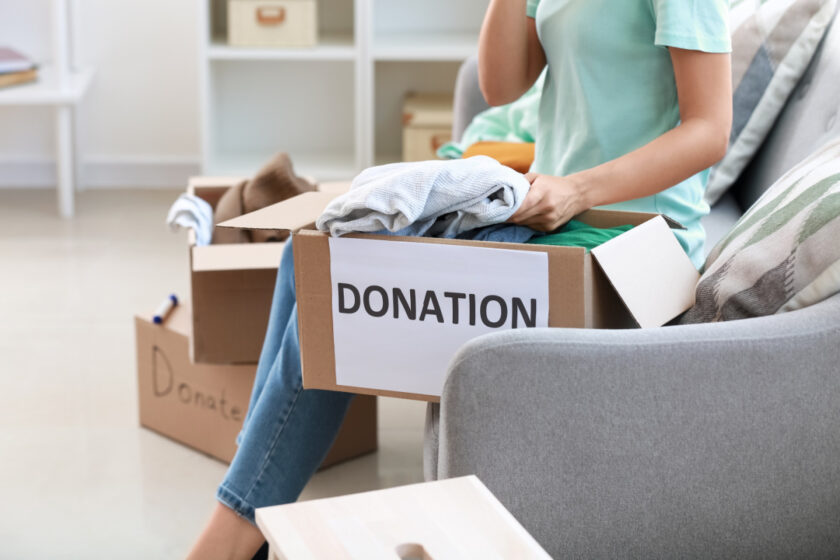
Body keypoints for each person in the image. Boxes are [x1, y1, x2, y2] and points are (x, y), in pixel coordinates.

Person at [187, 0, 731, 557]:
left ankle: (231, 534)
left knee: (339, 294)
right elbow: (500, 86)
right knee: (309, 258)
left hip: (630, 237)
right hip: (552, 215)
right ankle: (252, 508)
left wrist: (579, 190)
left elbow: (710, 129)